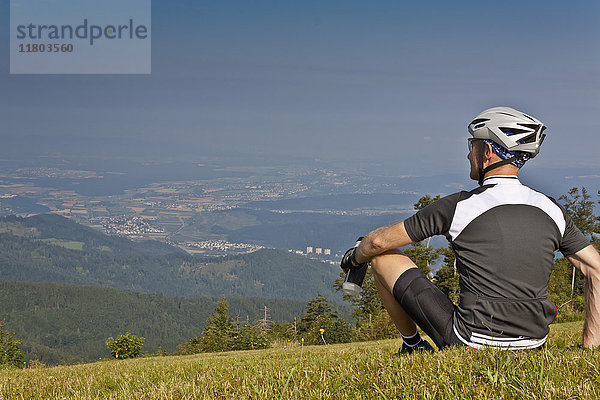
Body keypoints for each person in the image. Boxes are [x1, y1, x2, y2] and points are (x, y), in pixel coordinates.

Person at [341, 106, 600, 353]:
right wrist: (590, 344)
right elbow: (596, 269)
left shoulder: (459, 206)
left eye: (472, 145)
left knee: (382, 256)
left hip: (470, 340)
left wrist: (354, 258)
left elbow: (377, 243)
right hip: (534, 343)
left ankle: (412, 345)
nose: (468, 154)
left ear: (487, 151)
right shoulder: (551, 209)